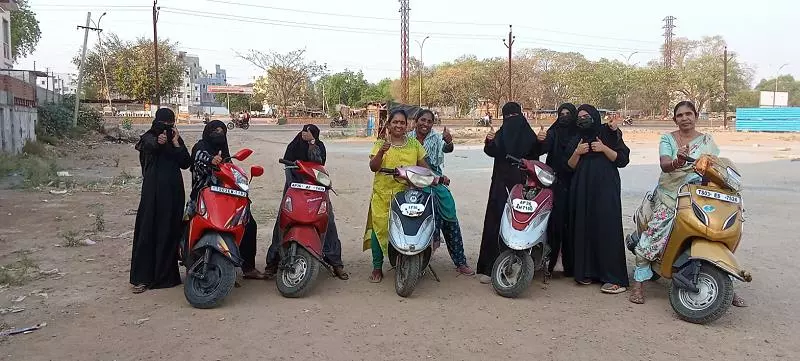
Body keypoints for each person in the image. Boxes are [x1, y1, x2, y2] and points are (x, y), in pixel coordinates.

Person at [629, 101, 747, 307]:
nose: (685, 118)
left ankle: (723, 280)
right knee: (654, 235)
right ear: (675, 119)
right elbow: (665, 164)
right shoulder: (668, 139)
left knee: (719, 227)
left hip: (700, 192)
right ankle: (638, 283)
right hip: (671, 194)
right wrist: (678, 162)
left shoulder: (707, 141)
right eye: (680, 115)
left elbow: (717, 167)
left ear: (696, 115)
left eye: (688, 114)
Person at [265, 124, 349, 280]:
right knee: (282, 220)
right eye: (304, 131)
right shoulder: (294, 145)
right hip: (295, 187)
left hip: (316, 189)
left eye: (309, 132)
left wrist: (312, 143)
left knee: (327, 221)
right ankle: (273, 262)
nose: (305, 134)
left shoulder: (319, 146)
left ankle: (336, 262)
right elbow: (287, 164)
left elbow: (319, 162)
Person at [188, 120, 265, 280]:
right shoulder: (200, 147)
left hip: (225, 197)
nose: (219, 134)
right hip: (204, 195)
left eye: (221, 130)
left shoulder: (225, 152)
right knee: (187, 221)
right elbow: (199, 157)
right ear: (207, 132)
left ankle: (248, 267)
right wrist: (211, 160)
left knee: (249, 225)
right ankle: (190, 259)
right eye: (215, 130)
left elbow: (230, 171)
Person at [566, 104, 630, 293]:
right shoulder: (577, 137)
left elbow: (622, 160)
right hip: (582, 187)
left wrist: (603, 148)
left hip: (605, 187)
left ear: (594, 116)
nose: (582, 118)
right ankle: (587, 271)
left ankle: (613, 277)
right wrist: (578, 153)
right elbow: (569, 165)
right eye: (580, 116)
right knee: (584, 226)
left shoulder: (607, 133)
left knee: (606, 227)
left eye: (586, 115)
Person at [476, 102, 540, 284]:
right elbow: (492, 150)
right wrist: (488, 141)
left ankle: (524, 266)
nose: (512, 121)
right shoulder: (499, 136)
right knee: (496, 221)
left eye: (515, 117)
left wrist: (542, 140)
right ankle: (490, 267)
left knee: (522, 222)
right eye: (508, 117)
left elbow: (538, 151)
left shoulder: (529, 136)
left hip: (525, 187)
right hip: (500, 186)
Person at [130, 108, 191, 293]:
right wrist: (158, 142)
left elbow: (186, 162)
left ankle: (167, 276)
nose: (166, 126)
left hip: (173, 193)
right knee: (148, 230)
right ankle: (143, 278)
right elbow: (146, 146)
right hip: (152, 193)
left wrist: (174, 143)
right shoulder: (148, 137)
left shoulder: (175, 138)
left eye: (170, 123)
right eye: (164, 123)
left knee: (169, 231)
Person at [364, 109, 428, 283]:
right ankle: (377, 267)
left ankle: (409, 261)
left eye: (402, 122)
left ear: (407, 126)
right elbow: (373, 167)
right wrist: (381, 153)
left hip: (407, 195)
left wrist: (418, 176)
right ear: (389, 125)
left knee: (409, 228)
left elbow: (425, 168)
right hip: (383, 195)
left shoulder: (414, 144)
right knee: (379, 230)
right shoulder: (380, 144)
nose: (399, 125)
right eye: (395, 122)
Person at [409, 109, 475, 276]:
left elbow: (448, 149)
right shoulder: (407, 138)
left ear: (432, 124)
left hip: (435, 180)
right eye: (422, 120)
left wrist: (450, 141)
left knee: (449, 214)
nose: (425, 124)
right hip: (410, 182)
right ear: (416, 121)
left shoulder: (437, 138)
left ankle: (460, 261)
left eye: (429, 121)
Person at [536, 103, 579, 275]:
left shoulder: (579, 134)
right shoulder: (553, 132)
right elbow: (543, 148)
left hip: (575, 182)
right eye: (562, 113)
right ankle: (552, 261)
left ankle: (571, 264)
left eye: (568, 113)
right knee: (555, 222)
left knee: (572, 222)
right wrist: (540, 140)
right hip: (555, 182)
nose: (564, 116)